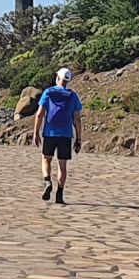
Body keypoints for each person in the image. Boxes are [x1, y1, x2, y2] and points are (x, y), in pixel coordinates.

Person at [34, 67, 83, 205]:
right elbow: (77, 119)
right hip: (66, 135)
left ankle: (47, 181)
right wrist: (78, 138)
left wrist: (36, 132)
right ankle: (59, 194)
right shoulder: (72, 96)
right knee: (62, 165)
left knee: (46, 159)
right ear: (68, 81)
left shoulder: (48, 93)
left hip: (49, 134)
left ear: (57, 78)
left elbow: (39, 114)